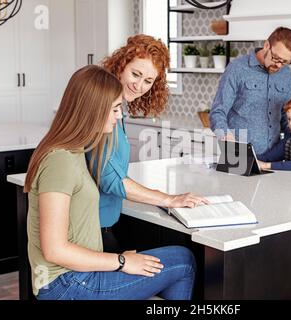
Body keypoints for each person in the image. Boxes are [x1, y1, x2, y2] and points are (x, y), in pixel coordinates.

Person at [24, 65, 196, 300]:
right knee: (183, 262)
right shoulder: (60, 160)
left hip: (74, 277)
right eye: (115, 109)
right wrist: (121, 261)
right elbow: (54, 249)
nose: (119, 115)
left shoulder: (73, 150)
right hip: (65, 284)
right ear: (93, 110)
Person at [88, 34, 209, 253]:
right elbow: (110, 180)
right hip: (92, 229)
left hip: (104, 223)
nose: (139, 85)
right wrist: (169, 199)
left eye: (148, 81)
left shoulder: (116, 108)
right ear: (120, 65)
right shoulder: (103, 108)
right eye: (135, 74)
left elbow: (113, 170)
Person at [209, 27, 291, 155]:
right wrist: (226, 137)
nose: (279, 65)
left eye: (285, 61)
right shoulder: (237, 68)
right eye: (276, 58)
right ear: (267, 45)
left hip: (274, 159)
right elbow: (217, 112)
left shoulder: (286, 74)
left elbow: (285, 117)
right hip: (239, 156)